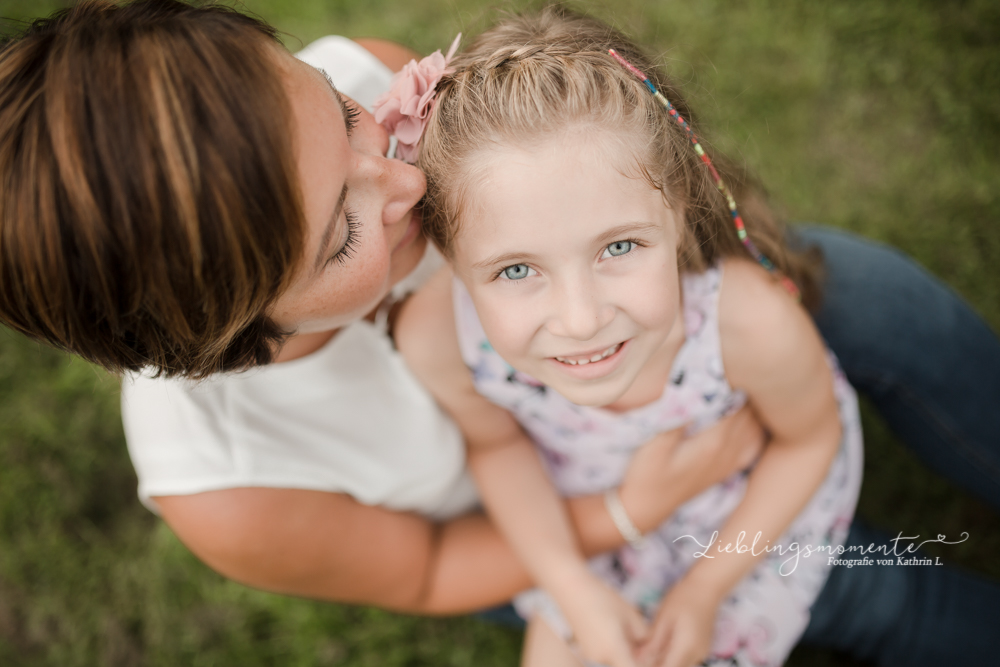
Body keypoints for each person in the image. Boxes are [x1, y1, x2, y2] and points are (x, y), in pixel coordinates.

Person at [0, 1, 995, 666]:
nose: (406, 177)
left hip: (678, 342)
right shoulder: (228, 488)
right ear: (233, 331)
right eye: (344, 230)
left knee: (878, 302)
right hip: (534, 519)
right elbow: (438, 563)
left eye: (347, 117)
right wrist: (628, 516)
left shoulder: (379, 105)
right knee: (863, 593)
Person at [397, 10, 861, 667]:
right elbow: (496, 444)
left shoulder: (748, 325)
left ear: (677, 208)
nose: (581, 319)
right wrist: (572, 587)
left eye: (618, 246)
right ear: (448, 253)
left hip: (740, 523)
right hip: (585, 522)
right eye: (517, 269)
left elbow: (810, 439)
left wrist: (704, 590)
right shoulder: (441, 336)